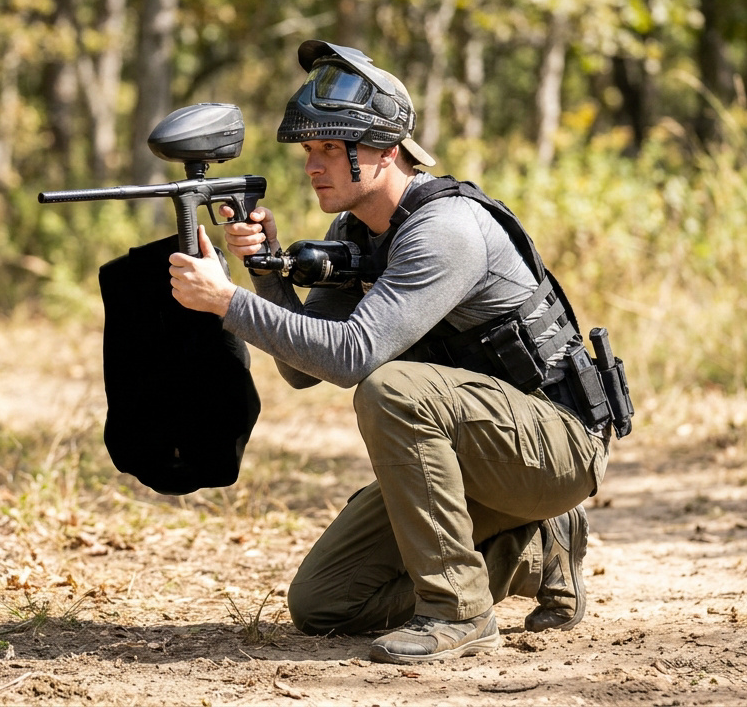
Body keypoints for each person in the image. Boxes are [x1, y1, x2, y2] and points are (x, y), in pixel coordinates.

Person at [168, 40, 611, 664]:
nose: (312, 166)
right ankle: (532, 550)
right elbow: (301, 371)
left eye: (329, 148)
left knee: (391, 388)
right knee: (324, 603)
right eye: (308, 151)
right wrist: (263, 273)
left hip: (558, 446)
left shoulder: (446, 229)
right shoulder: (353, 233)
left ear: (382, 151)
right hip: (484, 451)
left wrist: (227, 304)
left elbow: (353, 358)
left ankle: (458, 611)